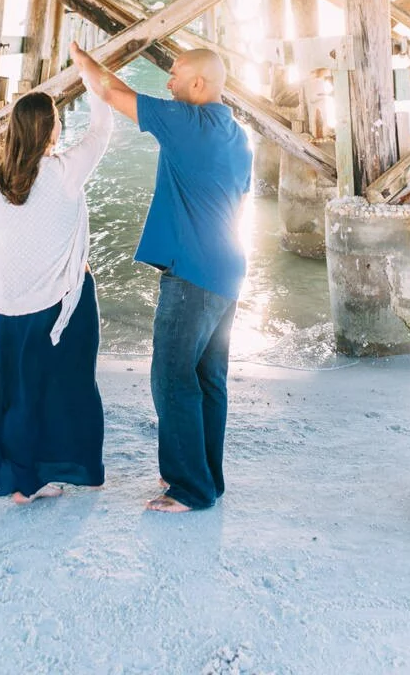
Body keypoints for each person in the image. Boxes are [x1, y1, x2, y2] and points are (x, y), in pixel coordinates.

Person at [69, 41, 252, 514]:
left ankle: (189, 487)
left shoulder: (185, 124)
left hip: (192, 273)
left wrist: (81, 58)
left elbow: (112, 91)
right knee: (208, 377)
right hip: (227, 269)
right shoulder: (235, 134)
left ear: (199, 83)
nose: (167, 83)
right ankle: (206, 475)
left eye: (174, 75)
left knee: (171, 376)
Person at [0, 87, 113, 504]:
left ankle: (26, 478)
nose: (60, 120)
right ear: (48, 128)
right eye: (56, 115)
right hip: (63, 305)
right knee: (71, 386)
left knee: (21, 394)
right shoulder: (65, 171)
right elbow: (102, 129)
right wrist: (95, 84)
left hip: (8, 305)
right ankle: (73, 470)